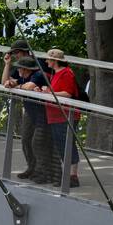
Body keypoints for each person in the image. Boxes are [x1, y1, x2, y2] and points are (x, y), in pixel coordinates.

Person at [4, 55, 52, 183]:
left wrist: (16, 86)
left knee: (38, 143)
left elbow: (29, 87)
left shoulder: (38, 75)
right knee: (26, 139)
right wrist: (7, 66)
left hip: (44, 113)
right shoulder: (24, 76)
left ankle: (43, 172)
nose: (18, 71)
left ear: (26, 69)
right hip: (31, 113)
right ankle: (32, 167)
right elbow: (5, 82)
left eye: (20, 69)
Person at [40, 48, 81, 187]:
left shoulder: (66, 73)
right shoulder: (56, 73)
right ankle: (67, 175)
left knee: (67, 144)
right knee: (61, 144)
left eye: (48, 59)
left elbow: (68, 93)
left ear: (55, 61)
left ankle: (72, 176)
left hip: (66, 115)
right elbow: (56, 92)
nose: (46, 61)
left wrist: (50, 92)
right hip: (56, 115)